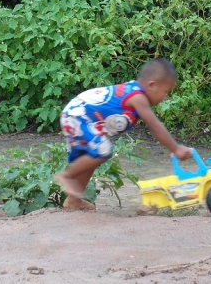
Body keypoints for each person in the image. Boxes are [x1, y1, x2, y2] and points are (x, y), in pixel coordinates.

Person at [55, 58, 193, 210]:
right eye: (165, 91)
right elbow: (155, 126)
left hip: (78, 116)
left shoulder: (134, 93)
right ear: (152, 85)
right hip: (77, 116)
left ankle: (73, 201)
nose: (165, 97)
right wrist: (175, 148)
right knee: (103, 150)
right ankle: (66, 176)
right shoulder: (137, 97)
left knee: (92, 158)